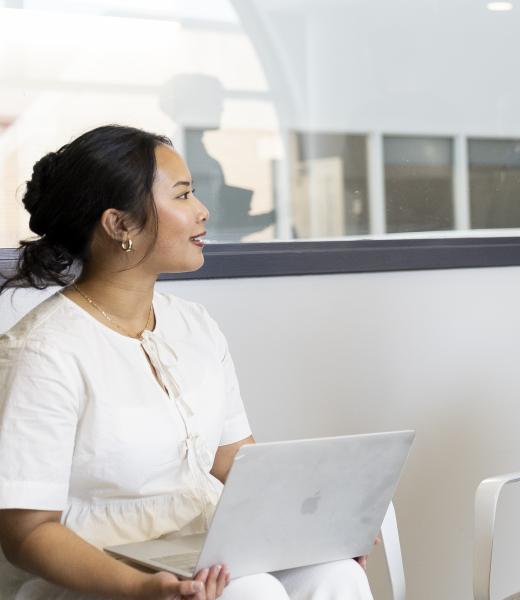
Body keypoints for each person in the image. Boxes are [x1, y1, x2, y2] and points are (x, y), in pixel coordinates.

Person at [0, 125, 373, 600]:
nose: (203, 211)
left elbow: (234, 460)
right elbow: (26, 534)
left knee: (338, 574)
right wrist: (142, 587)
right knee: (252, 592)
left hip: (197, 553)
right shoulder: (41, 352)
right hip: (98, 576)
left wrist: (318, 532)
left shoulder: (195, 327)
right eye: (183, 195)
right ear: (119, 225)